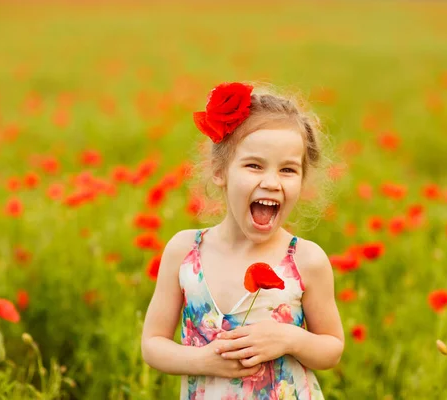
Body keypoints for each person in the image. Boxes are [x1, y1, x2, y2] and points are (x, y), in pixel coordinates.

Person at [141, 82, 344, 399]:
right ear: (220, 171)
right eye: (254, 165)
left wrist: (289, 338)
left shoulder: (305, 260)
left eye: (288, 170)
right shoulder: (185, 252)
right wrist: (204, 361)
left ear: (303, 180)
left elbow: (331, 348)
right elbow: (153, 345)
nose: (271, 182)